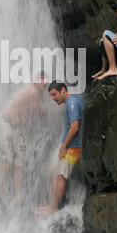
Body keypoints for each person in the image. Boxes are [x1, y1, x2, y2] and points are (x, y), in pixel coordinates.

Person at [0, 72, 48, 208]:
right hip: (8, 123)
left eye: (46, 82)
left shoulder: (37, 91)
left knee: (19, 163)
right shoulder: (33, 92)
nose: (45, 84)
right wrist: (56, 108)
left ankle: (18, 199)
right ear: (36, 81)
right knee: (6, 161)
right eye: (43, 82)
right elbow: (39, 113)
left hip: (21, 126)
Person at [36, 81, 85, 215]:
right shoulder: (75, 99)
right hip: (72, 146)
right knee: (53, 170)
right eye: (51, 96)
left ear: (63, 90)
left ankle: (53, 208)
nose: (53, 98)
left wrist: (63, 146)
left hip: (73, 148)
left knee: (61, 177)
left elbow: (75, 127)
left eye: (54, 94)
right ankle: (54, 201)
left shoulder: (71, 104)